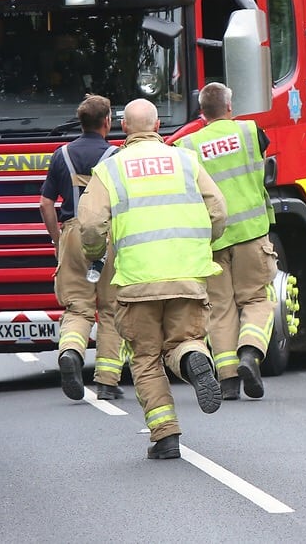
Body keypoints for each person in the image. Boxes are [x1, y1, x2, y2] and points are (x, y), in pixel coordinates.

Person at [79, 98, 227, 460]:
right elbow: (219, 211)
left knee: (145, 358)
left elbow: (91, 225)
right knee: (185, 340)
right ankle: (194, 359)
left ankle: (166, 436)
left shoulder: (110, 170)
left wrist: (96, 254)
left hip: (137, 282)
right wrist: (199, 244)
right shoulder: (186, 161)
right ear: (158, 125)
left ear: (124, 127)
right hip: (187, 276)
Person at [175, 82, 277, 400]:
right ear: (230, 107)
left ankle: (228, 380)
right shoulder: (251, 132)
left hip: (214, 241)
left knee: (220, 309)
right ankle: (250, 352)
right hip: (252, 236)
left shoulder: (186, 145)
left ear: (202, 113)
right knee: (257, 301)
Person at [39, 94, 125, 401]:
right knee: (112, 309)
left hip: (72, 232)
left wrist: (57, 240)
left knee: (78, 306)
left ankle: (71, 353)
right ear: (107, 122)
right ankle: (107, 382)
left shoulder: (61, 154)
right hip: (109, 235)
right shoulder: (117, 156)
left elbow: (45, 203)